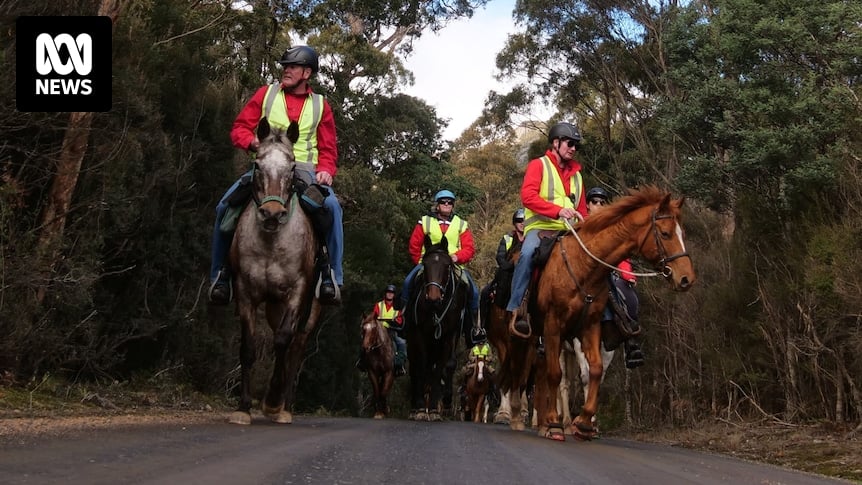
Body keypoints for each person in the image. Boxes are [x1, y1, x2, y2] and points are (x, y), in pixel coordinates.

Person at [208, 45, 344, 305]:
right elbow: (239, 128)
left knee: (333, 208)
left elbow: (328, 148)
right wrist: (252, 143)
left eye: (291, 67)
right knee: (224, 207)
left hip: (303, 170)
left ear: (306, 72)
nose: (286, 71)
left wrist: (326, 170)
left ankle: (332, 277)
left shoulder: (321, 105)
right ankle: (220, 276)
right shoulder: (266, 93)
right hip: (266, 166)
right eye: (284, 67)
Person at [506, 122, 588, 337]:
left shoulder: (578, 175)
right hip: (541, 228)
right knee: (526, 255)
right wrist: (558, 211)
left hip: (569, 230)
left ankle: (605, 314)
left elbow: (581, 209)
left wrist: (585, 223)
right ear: (556, 142)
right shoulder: (538, 165)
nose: (573, 148)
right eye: (570, 143)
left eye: (576, 146)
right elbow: (528, 197)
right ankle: (518, 309)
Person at [401, 190, 483, 347]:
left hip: (454, 264)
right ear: (437, 205)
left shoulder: (461, 224)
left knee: (474, 291)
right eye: (443, 202)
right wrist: (422, 262)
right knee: (407, 283)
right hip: (428, 265)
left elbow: (469, 248)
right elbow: (414, 245)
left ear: (452, 206)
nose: (446, 205)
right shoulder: (424, 222)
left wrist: (456, 257)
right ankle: (402, 319)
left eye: (450, 203)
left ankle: (473, 329)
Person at [585, 187, 644, 369]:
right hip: (583, 274)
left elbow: (622, 256)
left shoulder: (612, 230)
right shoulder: (581, 225)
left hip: (607, 273)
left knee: (629, 297)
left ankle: (630, 344)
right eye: (595, 202)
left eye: (603, 202)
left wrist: (627, 274)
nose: (599, 205)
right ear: (587, 205)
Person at [480, 208, 525, 311]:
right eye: (519, 220)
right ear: (514, 223)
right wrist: (510, 266)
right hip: (507, 273)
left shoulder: (532, 239)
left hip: (525, 273)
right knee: (485, 293)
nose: (522, 223)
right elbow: (500, 257)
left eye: (524, 221)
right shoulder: (506, 238)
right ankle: (482, 325)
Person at [358, 284, 407, 376]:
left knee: (401, 343)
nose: (389, 294)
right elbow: (374, 316)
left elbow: (399, 321)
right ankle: (362, 361)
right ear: (385, 294)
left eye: (392, 293)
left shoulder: (397, 307)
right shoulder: (379, 305)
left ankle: (400, 365)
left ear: (394, 295)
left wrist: (391, 323)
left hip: (391, 330)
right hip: (379, 330)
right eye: (388, 292)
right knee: (365, 341)